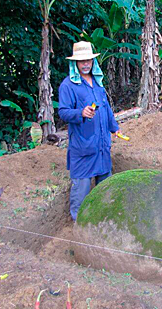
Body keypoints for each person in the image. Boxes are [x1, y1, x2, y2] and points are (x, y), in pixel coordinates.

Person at [57, 41, 120, 221]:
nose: (86, 64)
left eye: (88, 60)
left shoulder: (98, 83)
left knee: (105, 187)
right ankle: (80, 225)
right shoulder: (68, 85)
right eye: (82, 61)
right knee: (81, 190)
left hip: (101, 145)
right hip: (83, 146)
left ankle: (103, 220)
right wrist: (80, 112)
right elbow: (63, 111)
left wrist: (114, 127)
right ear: (75, 63)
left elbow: (106, 108)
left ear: (93, 61)